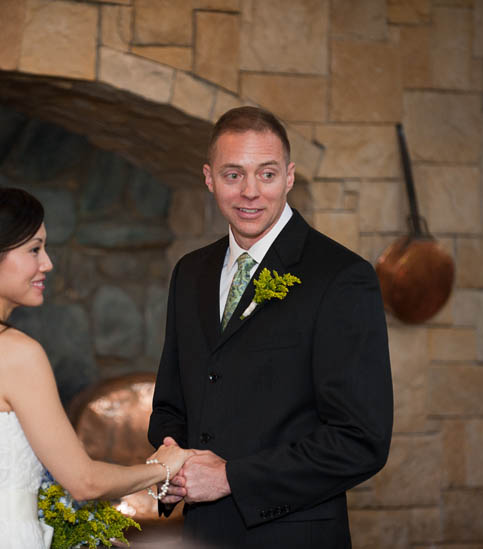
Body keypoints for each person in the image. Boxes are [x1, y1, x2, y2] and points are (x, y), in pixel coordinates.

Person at [0, 180, 193, 548]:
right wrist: (164, 467)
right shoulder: (16, 352)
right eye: (34, 249)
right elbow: (84, 481)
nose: (46, 263)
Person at [148, 106, 394, 547]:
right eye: (232, 175)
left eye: (266, 174)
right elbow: (171, 402)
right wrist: (172, 458)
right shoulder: (190, 273)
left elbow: (361, 440)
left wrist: (230, 478)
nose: (250, 192)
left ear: (289, 176)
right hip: (202, 534)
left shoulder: (340, 277)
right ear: (208, 178)